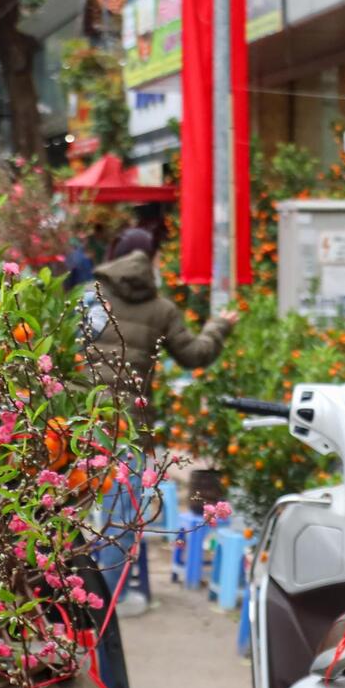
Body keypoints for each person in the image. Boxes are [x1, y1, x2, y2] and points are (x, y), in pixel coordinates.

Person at [87, 226, 237, 617]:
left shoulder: (91, 296)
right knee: (121, 514)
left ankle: (76, 597)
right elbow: (194, 355)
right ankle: (113, 600)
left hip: (78, 421)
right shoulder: (161, 308)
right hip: (126, 426)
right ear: (150, 260)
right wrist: (219, 325)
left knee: (73, 507)